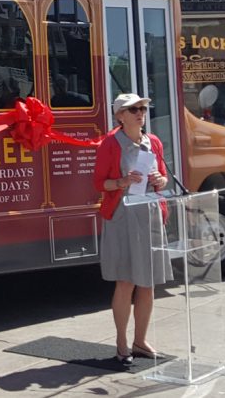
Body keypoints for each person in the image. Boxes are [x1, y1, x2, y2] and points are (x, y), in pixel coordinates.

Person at [93, 92, 169, 365]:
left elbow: (162, 177)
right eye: (133, 109)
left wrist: (161, 179)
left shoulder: (155, 142)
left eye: (143, 108)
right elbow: (100, 183)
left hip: (149, 213)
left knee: (147, 283)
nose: (140, 113)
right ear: (120, 116)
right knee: (125, 281)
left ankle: (141, 340)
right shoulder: (110, 144)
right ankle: (122, 341)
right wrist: (122, 181)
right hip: (122, 215)